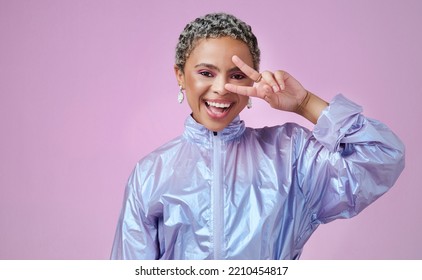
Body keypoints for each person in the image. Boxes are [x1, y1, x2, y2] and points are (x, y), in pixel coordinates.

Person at [110, 13, 405, 260]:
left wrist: (305, 103)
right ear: (180, 76)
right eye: (206, 73)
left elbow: (382, 154)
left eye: (237, 75)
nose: (222, 88)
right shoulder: (151, 173)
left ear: (252, 79)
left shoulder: (291, 155)